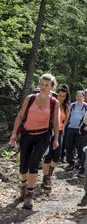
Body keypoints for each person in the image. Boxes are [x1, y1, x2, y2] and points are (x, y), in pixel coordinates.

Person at [9, 73, 60, 210]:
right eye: (42, 84)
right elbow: (20, 116)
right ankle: (23, 185)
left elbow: (55, 122)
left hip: (43, 136)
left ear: (52, 87)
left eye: (47, 85)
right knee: (23, 165)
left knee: (34, 162)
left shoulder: (54, 102)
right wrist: (14, 134)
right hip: (27, 134)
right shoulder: (30, 98)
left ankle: (29, 194)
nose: (43, 87)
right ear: (39, 85)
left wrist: (56, 139)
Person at [42, 84, 70, 191]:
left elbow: (66, 120)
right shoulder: (51, 104)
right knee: (48, 155)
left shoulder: (66, 107)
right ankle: (46, 177)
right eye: (60, 95)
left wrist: (63, 129)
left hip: (59, 132)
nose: (61, 97)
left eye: (63, 96)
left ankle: (50, 174)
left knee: (57, 156)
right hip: (49, 131)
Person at [64, 91, 87, 173]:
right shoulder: (72, 105)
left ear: (83, 97)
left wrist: (86, 127)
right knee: (69, 146)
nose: (79, 97)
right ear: (76, 97)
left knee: (80, 147)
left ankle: (80, 163)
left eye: (80, 96)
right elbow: (67, 116)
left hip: (80, 129)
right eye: (77, 96)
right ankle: (70, 163)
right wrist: (64, 126)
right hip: (71, 127)